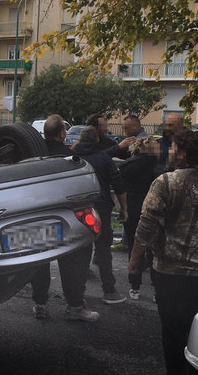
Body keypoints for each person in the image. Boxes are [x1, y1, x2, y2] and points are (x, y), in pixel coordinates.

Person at [128, 129, 198, 375]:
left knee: (174, 332)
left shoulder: (166, 182)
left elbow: (147, 225)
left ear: (182, 154)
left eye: (171, 149)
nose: (168, 153)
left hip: (174, 270)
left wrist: (135, 261)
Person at [29, 115, 99, 322]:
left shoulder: (33, 158)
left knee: (40, 262)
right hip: (65, 220)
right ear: (62, 134)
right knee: (73, 263)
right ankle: (75, 306)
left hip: (39, 218)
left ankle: (40, 304)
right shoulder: (71, 159)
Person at [72, 126, 128, 304]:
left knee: (80, 251)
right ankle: (109, 291)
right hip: (101, 208)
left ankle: (77, 296)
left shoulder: (73, 158)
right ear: (97, 140)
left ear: (81, 140)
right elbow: (118, 185)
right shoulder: (104, 158)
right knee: (103, 250)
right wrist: (123, 209)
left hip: (79, 209)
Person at [119, 136, 159, 300]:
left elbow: (121, 188)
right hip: (152, 211)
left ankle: (134, 286)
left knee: (134, 248)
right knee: (154, 250)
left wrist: (124, 209)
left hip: (132, 209)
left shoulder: (126, 166)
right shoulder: (158, 168)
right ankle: (157, 288)